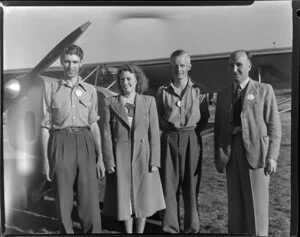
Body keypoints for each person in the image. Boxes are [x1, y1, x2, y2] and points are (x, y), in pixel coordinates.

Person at [214, 50, 282, 236]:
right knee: (235, 209)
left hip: (256, 155)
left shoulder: (264, 90)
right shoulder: (223, 95)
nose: (234, 69)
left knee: (256, 209)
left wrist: (272, 157)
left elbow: (274, 126)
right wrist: (219, 157)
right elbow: (218, 130)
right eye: (231, 65)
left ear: (249, 66)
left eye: (239, 65)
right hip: (231, 155)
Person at [41, 44, 105, 234]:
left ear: (81, 63)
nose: (71, 66)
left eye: (75, 62)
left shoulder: (90, 90)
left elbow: (93, 125)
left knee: (89, 199)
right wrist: (45, 160)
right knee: (63, 198)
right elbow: (45, 127)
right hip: (60, 140)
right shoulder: (50, 88)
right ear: (61, 62)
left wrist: (100, 156)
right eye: (67, 61)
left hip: (85, 141)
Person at [99, 64, 166, 233]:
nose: (125, 82)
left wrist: (155, 161)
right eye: (122, 79)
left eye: (129, 79)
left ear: (137, 80)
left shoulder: (149, 101)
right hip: (119, 157)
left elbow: (154, 132)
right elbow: (106, 133)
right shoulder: (109, 102)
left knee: (143, 197)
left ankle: (140, 232)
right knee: (124, 198)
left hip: (143, 156)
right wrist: (108, 159)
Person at [155, 49, 210, 233]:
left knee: (191, 184)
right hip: (169, 138)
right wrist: (171, 131)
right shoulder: (162, 91)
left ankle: (191, 228)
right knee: (169, 185)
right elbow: (158, 117)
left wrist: (190, 134)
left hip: (191, 138)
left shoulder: (199, 90)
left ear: (189, 66)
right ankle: (170, 227)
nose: (178, 69)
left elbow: (203, 118)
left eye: (182, 65)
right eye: (174, 66)